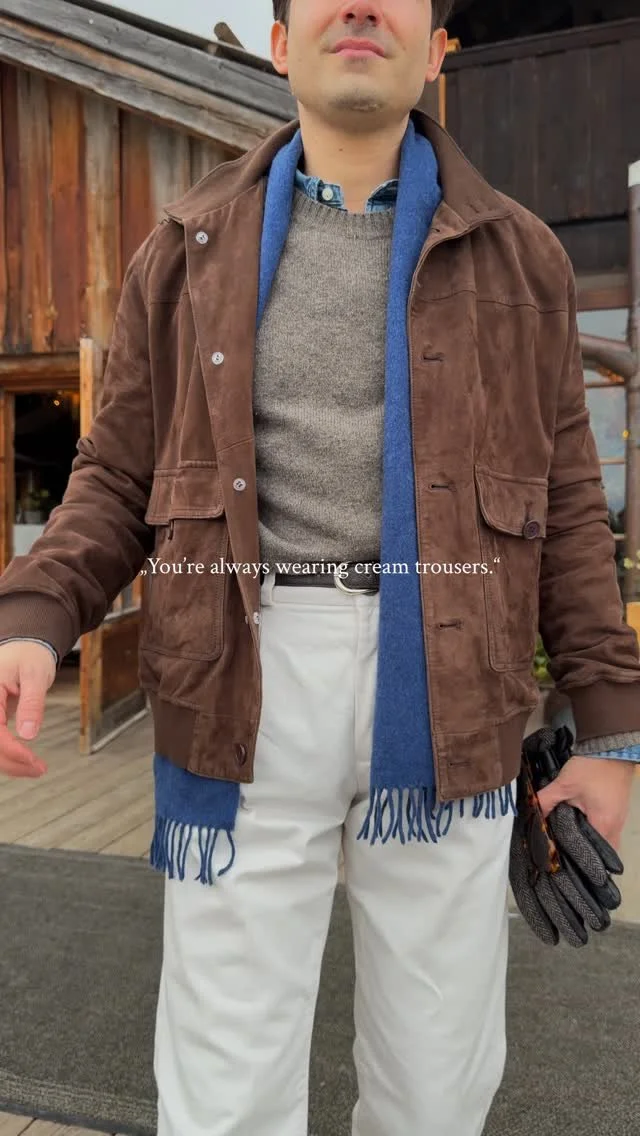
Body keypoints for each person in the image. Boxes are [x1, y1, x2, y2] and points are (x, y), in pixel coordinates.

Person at [0, 1, 639, 1133]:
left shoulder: (523, 256)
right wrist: (35, 616)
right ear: (281, 43)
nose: (358, 5)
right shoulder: (184, 245)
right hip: (237, 670)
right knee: (226, 1080)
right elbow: (117, 471)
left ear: (435, 48)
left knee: (438, 1077)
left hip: (452, 683)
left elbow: (571, 504)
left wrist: (610, 732)